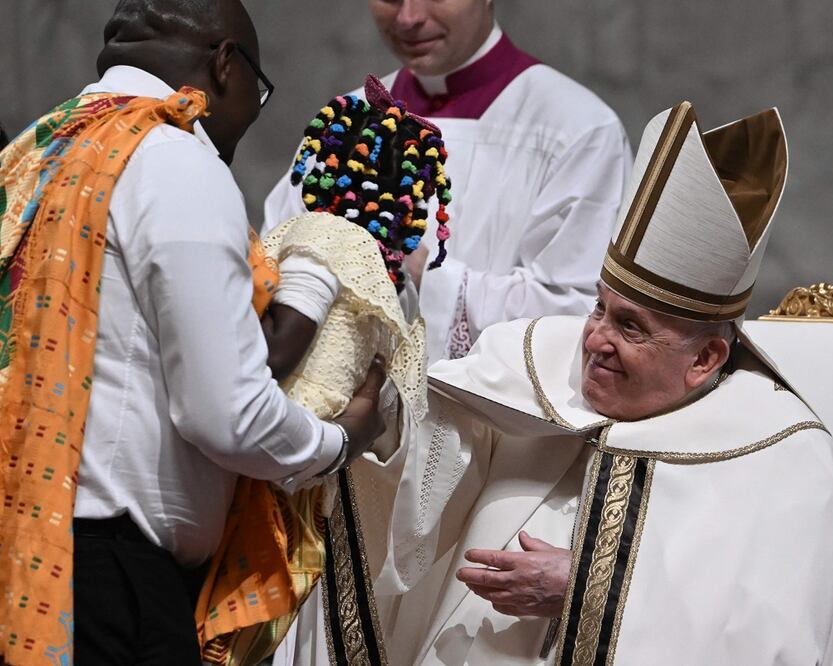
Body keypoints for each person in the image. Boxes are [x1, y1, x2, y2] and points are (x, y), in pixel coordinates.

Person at [373, 102, 833, 664]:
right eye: (599, 309)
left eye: (630, 327)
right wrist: (379, 418)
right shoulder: (531, 367)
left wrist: (588, 591)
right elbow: (419, 463)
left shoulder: (789, 461)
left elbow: (774, 643)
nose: (594, 341)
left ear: (705, 358)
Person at [0, 1, 385, 664]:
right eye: (257, 94)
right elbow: (226, 413)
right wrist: (341, 439)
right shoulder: (171, 155)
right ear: (226, 64)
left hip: (25, 548)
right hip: (106, 586)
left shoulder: (36, 151)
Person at [203, 76, 453, 665]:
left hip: (287, 440)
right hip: (318, 460)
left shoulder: (322, 240)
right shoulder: (389, 276)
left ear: (325, 171)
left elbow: (280, 347)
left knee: (241, 607)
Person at [263, 0, 632, 363]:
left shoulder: (578, 128)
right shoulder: (347, 122)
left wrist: (428, 275)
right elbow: (274, 263)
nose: (409, 18)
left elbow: (581, 311)